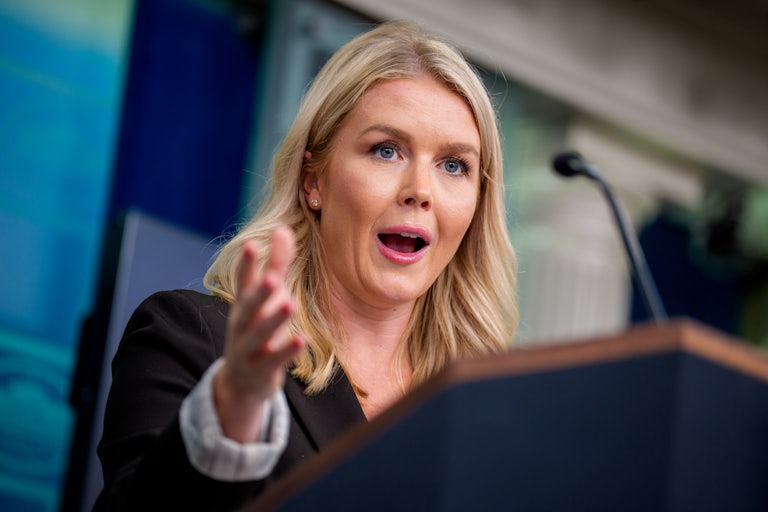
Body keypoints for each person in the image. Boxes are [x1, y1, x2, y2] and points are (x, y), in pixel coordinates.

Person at [93, 20, 518, 512]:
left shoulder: (488, 413)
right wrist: (234, 410)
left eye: (453, 165)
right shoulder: (194, 337)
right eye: (386, 150)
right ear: (313, 180)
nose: (420, 190)